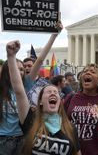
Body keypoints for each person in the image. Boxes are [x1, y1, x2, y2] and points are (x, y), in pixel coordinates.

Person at [6, 40, 81, 155]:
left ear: (60, 101)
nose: (53, 93)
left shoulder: (70, 128)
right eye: (48, 91)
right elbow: (19, 91)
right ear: (40, 101)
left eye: (55, 92)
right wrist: (11, 56)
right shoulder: (30, 121)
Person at [0, 20, 63, 154]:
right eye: (15, 69)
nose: (20, 72)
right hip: (2, 140)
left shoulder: (26, 84)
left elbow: (40, 60)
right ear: (7, 71)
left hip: (23, 137)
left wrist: (54, 35)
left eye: (21, 69)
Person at [64, 63, 98, 155]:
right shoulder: (71, 97)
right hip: (70, 151)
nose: (87, 73)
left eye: (93, 72)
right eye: (85, 71)